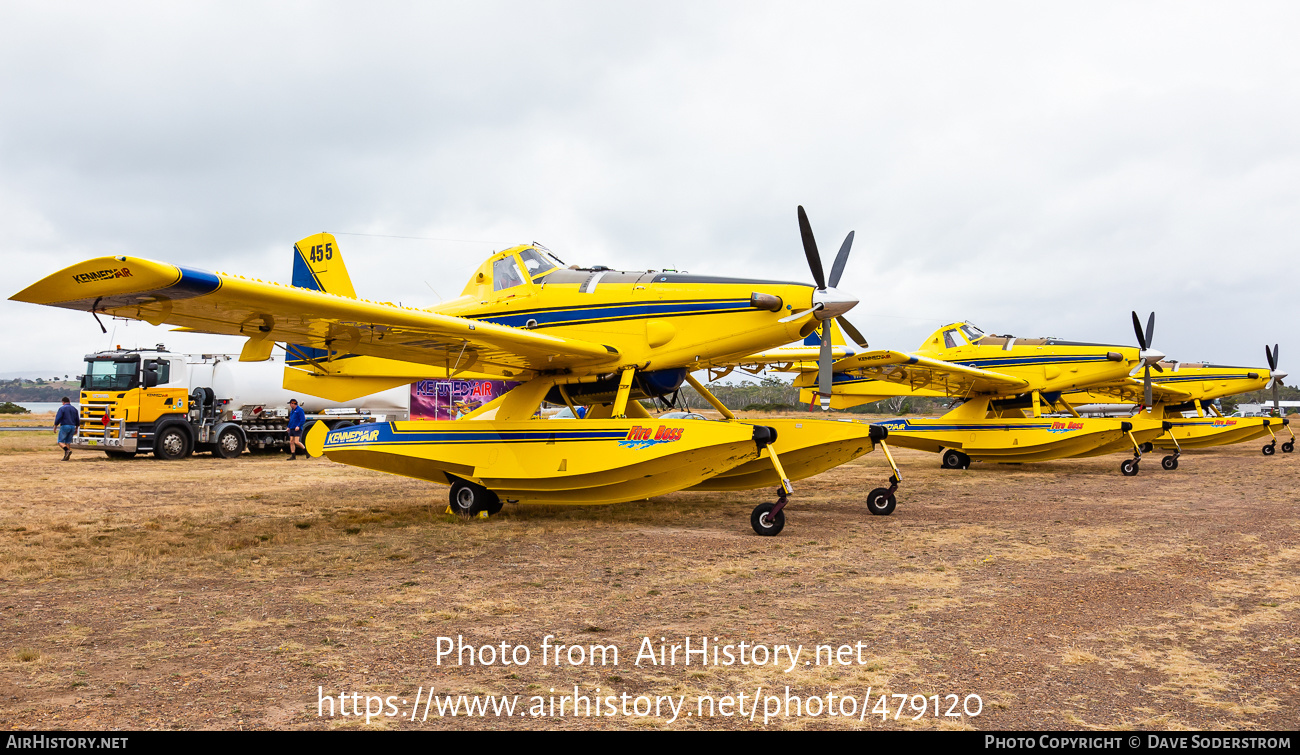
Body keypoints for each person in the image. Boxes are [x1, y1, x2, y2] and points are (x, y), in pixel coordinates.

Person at [54, 397, 78, 461]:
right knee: (68, 442)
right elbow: (77, 419)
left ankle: (67, 451)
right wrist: (77, 428)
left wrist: (55, 426)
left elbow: (58, 418)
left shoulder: (62, 408)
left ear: (63, 402)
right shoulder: (74, 409)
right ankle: (66, 457)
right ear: (69, 401)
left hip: (65, 426)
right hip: (72, 426)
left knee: (60, 441)